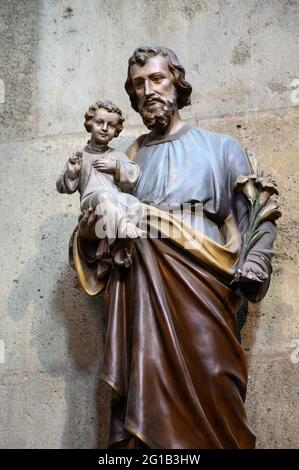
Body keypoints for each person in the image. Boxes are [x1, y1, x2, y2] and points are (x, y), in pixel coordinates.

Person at [71, 47, 280, 448]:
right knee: (142, 394)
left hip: (204, 288)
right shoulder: (125, 158)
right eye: (138, 84)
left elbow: (260, 213)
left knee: (214, 379)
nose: (148, 90)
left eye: (156, 79)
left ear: (176, 83)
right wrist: (90, 232)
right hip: (140, 296)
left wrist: (256, 261)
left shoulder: (220, 148)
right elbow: (97, 230)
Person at [56, 100, 144, 267]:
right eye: (99, 122)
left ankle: (118, 250)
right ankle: (124, 227)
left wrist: (115, 166)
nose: (104, 128)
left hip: (115, 200)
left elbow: (134, 174)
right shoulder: (80, 156)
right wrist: (72, 173)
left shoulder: (117, 155)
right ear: (90, 123)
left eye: (110, 125)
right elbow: (62, 186)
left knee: (135, 205)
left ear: (116, 130)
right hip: (92, 202)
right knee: (104, 196)